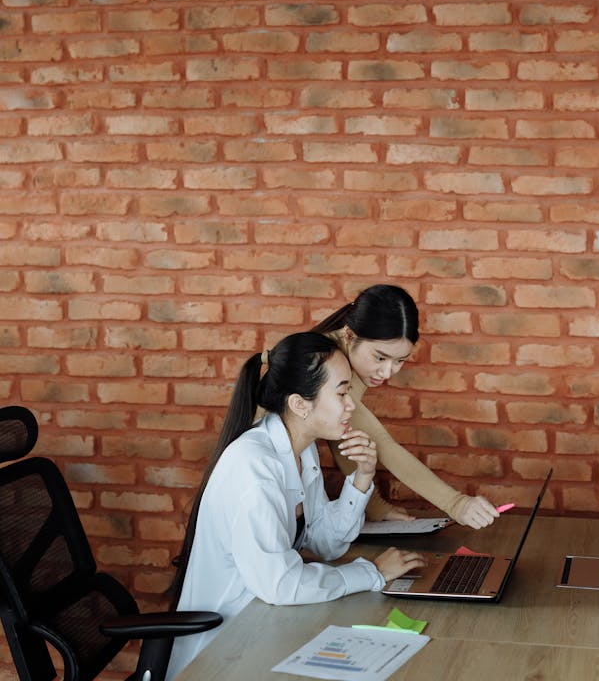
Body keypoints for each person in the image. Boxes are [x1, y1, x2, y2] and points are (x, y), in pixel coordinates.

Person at [165, 331, 426, 681]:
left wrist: (363, 477)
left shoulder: (302, 450)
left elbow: (325, 544)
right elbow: (281, 584)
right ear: (300, 404)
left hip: (268, 622)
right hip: (223, 650)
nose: (351, 405)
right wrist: (371, 573)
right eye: (342, 392)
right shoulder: (255, 466)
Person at [314, 284, 499, 529]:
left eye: (400, 360)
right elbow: (381, 443)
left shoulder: (347, 357)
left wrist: (376, 507)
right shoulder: (327, 363)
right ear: (349, 335)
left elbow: (347, 441)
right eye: (380, 357)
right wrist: (456, 504)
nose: (387, 372)